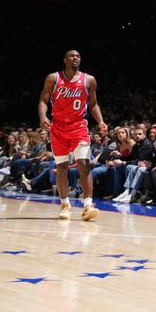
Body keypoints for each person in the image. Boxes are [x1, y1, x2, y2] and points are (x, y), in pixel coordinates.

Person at [38, 50, 106, 221]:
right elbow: (43, 100)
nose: (75, 58)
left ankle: (88, 205)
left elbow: (93, 104)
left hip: (79, 127)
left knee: (84, 163)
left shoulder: (89, 80)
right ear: (65, 60)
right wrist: (42, 117)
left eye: (78, 56)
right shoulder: (53, 78)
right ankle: (65, 204)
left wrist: (101, 121)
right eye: (72, 56)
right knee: (62, 167)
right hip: (58, 127)